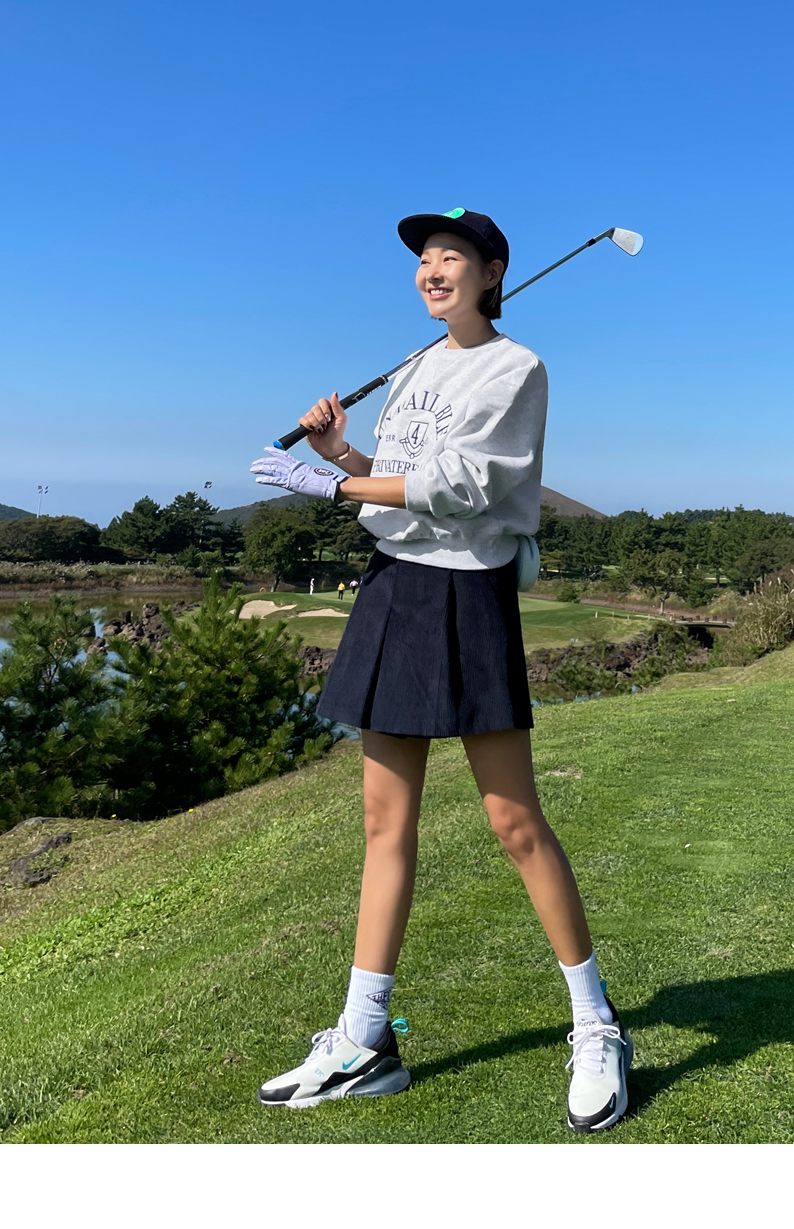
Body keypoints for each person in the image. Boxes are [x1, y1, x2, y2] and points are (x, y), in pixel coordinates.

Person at [250, 208, 631, 1133]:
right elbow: (401, 478)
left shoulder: (516, 368)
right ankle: (364, 1039)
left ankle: (596, 1024)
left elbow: (460, 489)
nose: (432, 270)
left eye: (451, 256)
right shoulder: (416, 366)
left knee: (513, 820)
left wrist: (329, 485)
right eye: (424, 259)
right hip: (394, 585)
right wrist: (343, 455)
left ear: (492, 272)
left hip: (467, 592)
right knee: (385, 824)